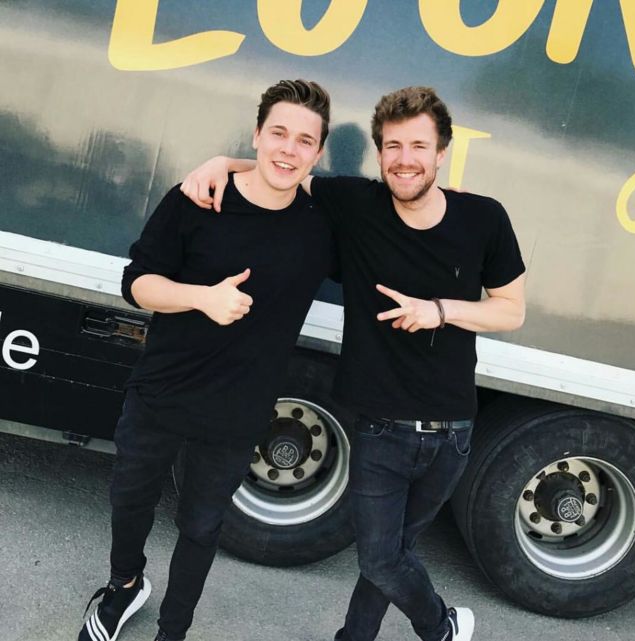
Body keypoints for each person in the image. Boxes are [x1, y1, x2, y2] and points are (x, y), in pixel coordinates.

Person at [181, 85, 526, 641]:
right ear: (380, 153)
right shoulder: (356, 204)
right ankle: (441, 628)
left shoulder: (484, 218)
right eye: (392, 146)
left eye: (419, 146)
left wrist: (439, 311)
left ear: (442, 153)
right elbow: (284, 172)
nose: (405, 159)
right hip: (381, 429)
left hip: (453, 432)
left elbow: (511, 309)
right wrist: (222, 162)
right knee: (381, 559)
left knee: (395, 553)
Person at [78, 79, 334, 641]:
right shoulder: (197, 198)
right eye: (278, 133)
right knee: (129, 499)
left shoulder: (323, 226)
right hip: (162, 388)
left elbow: (397, 206)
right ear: (257, 134)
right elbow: (136, 283)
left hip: (238, 409)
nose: (288, 149)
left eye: (304, 141)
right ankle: (124, 585)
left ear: (318, 153)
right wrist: (202, 298)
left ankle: (174, 630)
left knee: (200, 526)